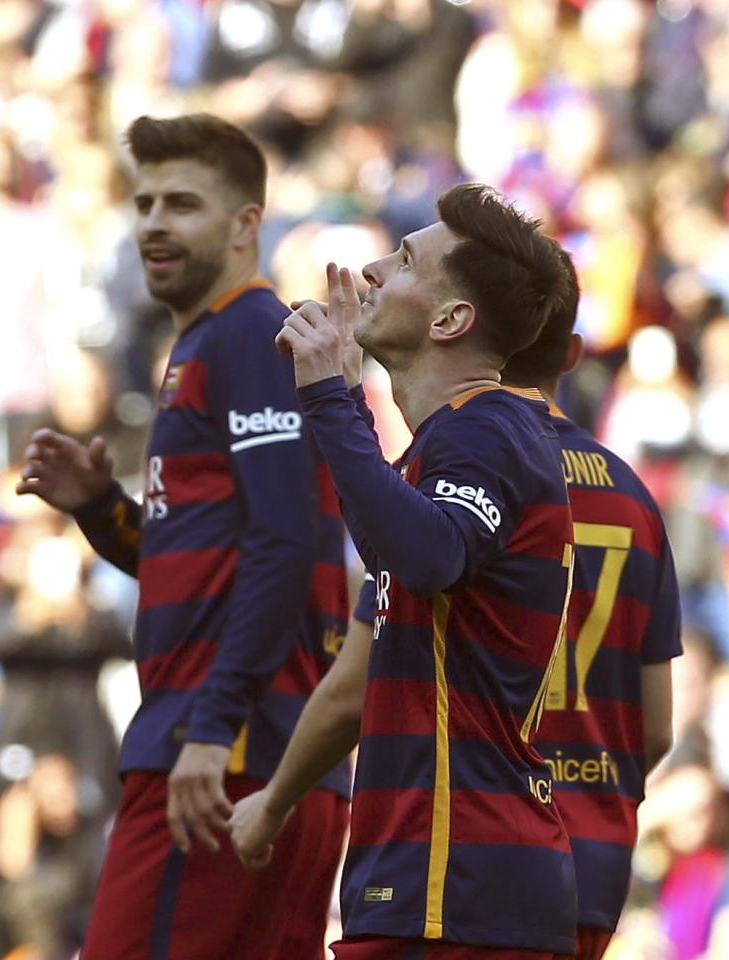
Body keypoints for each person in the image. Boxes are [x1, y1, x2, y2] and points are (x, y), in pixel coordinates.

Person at [13, 113, 350, 960]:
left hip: (221, 756)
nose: (156, 223)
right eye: (146, 203)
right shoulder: (208, 342)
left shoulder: (244, 334)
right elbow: (220, 554)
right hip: (268, 756)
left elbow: (285, 540)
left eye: (184, 204)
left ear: (246, 225)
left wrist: (210, 728)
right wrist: (102, 508)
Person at [228, 184, 578, 959]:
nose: (374, 270)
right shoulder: (434, 452)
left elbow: (427, 559)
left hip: (457, 880)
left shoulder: (488, 429)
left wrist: (327, 396)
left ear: (452, 320)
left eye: (406, 259)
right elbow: (378, 617)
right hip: (429, 875)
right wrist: (347, 393)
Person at [344, 251, 682, 960]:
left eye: (406, 259)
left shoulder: (451, 463)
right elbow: (653, 730)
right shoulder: (633, 498)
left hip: (460, 855)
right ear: (574, 352)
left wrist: (277, 798)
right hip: (583, 856)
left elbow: (357, 683)